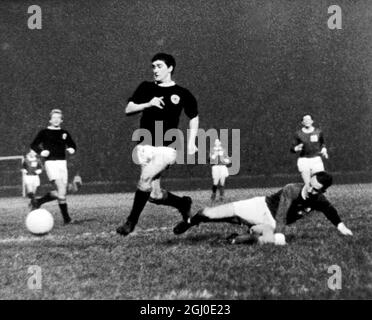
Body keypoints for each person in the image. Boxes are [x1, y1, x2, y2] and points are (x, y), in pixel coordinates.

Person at [116, 53, 199, 236]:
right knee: (154, 195)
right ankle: (182, 203)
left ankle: (131, 222)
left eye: (159, 66)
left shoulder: (182, 93)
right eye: (153, 66)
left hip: (167, 147)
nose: (155, 70)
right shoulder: (146, 87)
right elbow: (128, 109)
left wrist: (192, 142)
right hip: (145, 146)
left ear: (170, 68)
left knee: (144, 179)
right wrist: (148, 103)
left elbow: (193, 117)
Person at [173, 171, 353, 245]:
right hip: (259, 207)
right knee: (208, 213)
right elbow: (282, 212)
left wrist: (341, 227)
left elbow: (330, 211)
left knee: (266, 239)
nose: (310, 189)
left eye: (316, 189)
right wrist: (281, 234)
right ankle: (190, 221)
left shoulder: (319, 200)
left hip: (270, 223)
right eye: (310, 184)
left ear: (323, 191)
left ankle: (235, 239)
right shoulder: (292, 189)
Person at [29, 109, 77, 224]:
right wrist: (41, 152)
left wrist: (72, 149)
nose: (56, 119)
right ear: (50, 120)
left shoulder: (64, 133)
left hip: (62, 164)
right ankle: (67, 219)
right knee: (61, 189)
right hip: (51, 163)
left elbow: (72, 144)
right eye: (54, 117)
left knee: (62, 191)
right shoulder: (44, 132)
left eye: (58, 118)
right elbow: (34, 145)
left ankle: (38, 202)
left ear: (61, 120)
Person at [291, 114, 328, 190]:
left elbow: (323, 143)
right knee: (308, 185)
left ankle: (319, 198)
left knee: (319, 182)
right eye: (305, 120)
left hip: (316, 159)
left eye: (308, 120)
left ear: (312, 121)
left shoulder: (318, 132)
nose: (307, 121)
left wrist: (324, 150)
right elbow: (292, 149)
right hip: (304, 160)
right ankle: (308, 197)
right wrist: (296, 148)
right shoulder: (298, 134)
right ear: (302, 122)